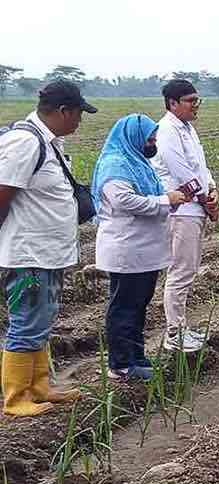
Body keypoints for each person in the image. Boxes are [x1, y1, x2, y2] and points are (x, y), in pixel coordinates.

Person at [0, 80, 96, 416]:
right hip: (29, 255)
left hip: (48, 254)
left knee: (42, 317)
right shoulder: (25, 142)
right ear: (62, 111)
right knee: (27, 319)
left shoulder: (46, 141)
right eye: (78, 114)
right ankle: (15, 399)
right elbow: (2, 193)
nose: (79, 121)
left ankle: (39, 385)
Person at [93, 114, 189, 381]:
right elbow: (124, 200)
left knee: (137, 305)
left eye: (154, 137)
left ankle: (135, 356)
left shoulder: (138, 163)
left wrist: (169, 201)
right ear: (134, 137)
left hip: (142, 250)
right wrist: (164, 200)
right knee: (124, 306)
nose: (153, 142)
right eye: (149, 138)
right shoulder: (116, 164)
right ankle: (121, 364)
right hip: (127, 249)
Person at [152, 79, 219, 353]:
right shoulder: (167, 130)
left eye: (197, 100)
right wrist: (209, 201)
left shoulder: (187, 129)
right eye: (191, 101)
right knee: (181, 271)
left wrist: (213, 189)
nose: (196, 106)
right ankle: (174, 333)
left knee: (187, 269)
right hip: (182, 210)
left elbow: (200, 168)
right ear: (173, 103)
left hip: (195, 208)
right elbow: (181, 171)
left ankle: (180, 328)